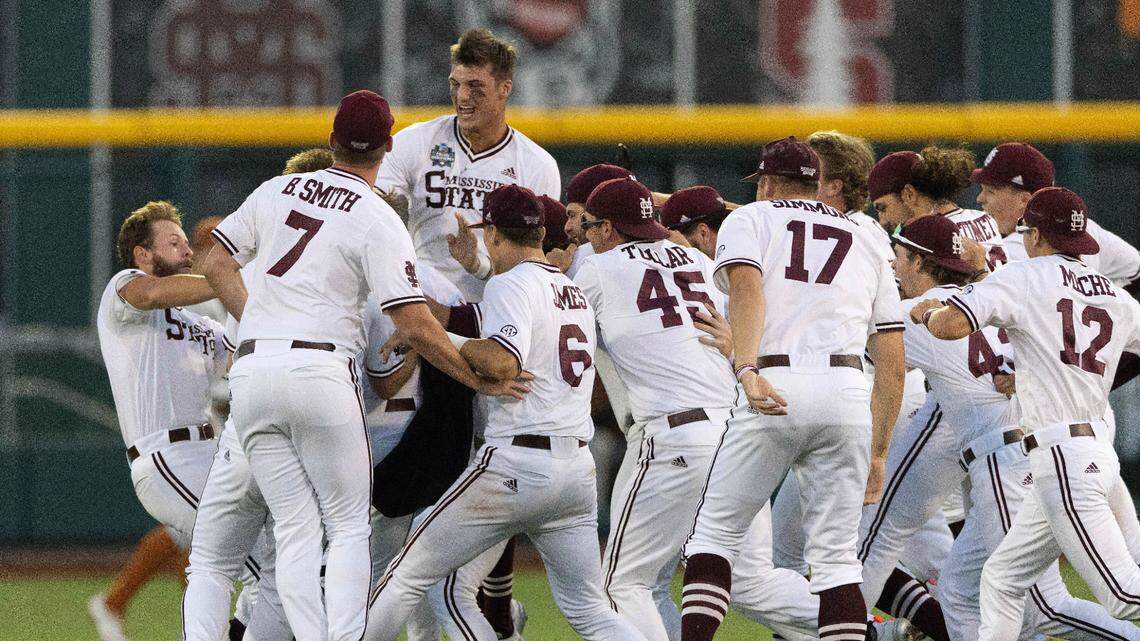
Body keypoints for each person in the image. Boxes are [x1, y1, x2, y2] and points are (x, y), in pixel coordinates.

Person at [201, 89, 521, 641]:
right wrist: (473, 377)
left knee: (292, 533)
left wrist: (260, 326)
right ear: (387, 147)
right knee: (349, 528)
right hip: (322, 376)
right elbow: (415, 325)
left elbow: (215, 263)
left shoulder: (276, 189)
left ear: (331, 141)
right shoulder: (376, 215)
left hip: (255, 373)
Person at [364, 184, 646, 641]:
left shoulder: (510, 283)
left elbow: (501, 363)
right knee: (589, 611)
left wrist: (435, 338)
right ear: (540, 234)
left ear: (493, 233)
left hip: (516, 463)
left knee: (410, 576)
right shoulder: (572, 290)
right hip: (575, 471)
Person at [681, 137, 905, 641]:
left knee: (713, 538)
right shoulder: (867, 235)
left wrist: (745, 366)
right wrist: (879, 452)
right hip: (848, 391)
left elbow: (747, 288)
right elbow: (892, 357)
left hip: (777, 381)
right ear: (815, 182)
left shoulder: (750, 218)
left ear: (765, 183)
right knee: (837, 563)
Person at [587, 178, 824, 641]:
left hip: (673, 435)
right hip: (736, 434)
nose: (586, 236)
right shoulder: (701, 261)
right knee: (751, 581)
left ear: (609, 228)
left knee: (623, 584)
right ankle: (865, 629)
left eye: (591, 226)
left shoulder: (598, 268)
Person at [890, 215, 1139, 641]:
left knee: (1117, 596)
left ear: (1036, 234)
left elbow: (951, 326)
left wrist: (928, 312)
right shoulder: (1111, 292)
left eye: (1025, 232)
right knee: (996, 582)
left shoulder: (1025, 275)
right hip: (1085, 446)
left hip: (1054, 454)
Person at [94, 200, 225, 638]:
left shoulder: (202, 323)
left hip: (212, 450)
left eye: (189, 243)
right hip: (167, 455)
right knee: (239, 552)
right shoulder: (124, 287)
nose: (187, 250)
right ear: (143, 254)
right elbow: (150, 294)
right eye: (174, 243)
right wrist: (227, 277)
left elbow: (245, 355)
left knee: (257, 558)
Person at [375, 27, 560, 301]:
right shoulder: (415, 142)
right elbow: (378, 216)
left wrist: (477, 265)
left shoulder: (536, 165)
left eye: (475, 86)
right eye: (455, 84)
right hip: (420, 302)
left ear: (504, 88)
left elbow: (536, 269)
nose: (462, 97)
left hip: (493, 311)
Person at [973, 142, 1140, 289]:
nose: (980, 198)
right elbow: (1135, 270)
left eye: (990, 191)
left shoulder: (1021, 245)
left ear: (1025, 200)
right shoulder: (1085, 229)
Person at [869, 146, 1006, 269]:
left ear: (909, 194)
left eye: (883, 208)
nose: (882, 221)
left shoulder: (932, 238)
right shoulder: (985, 217)